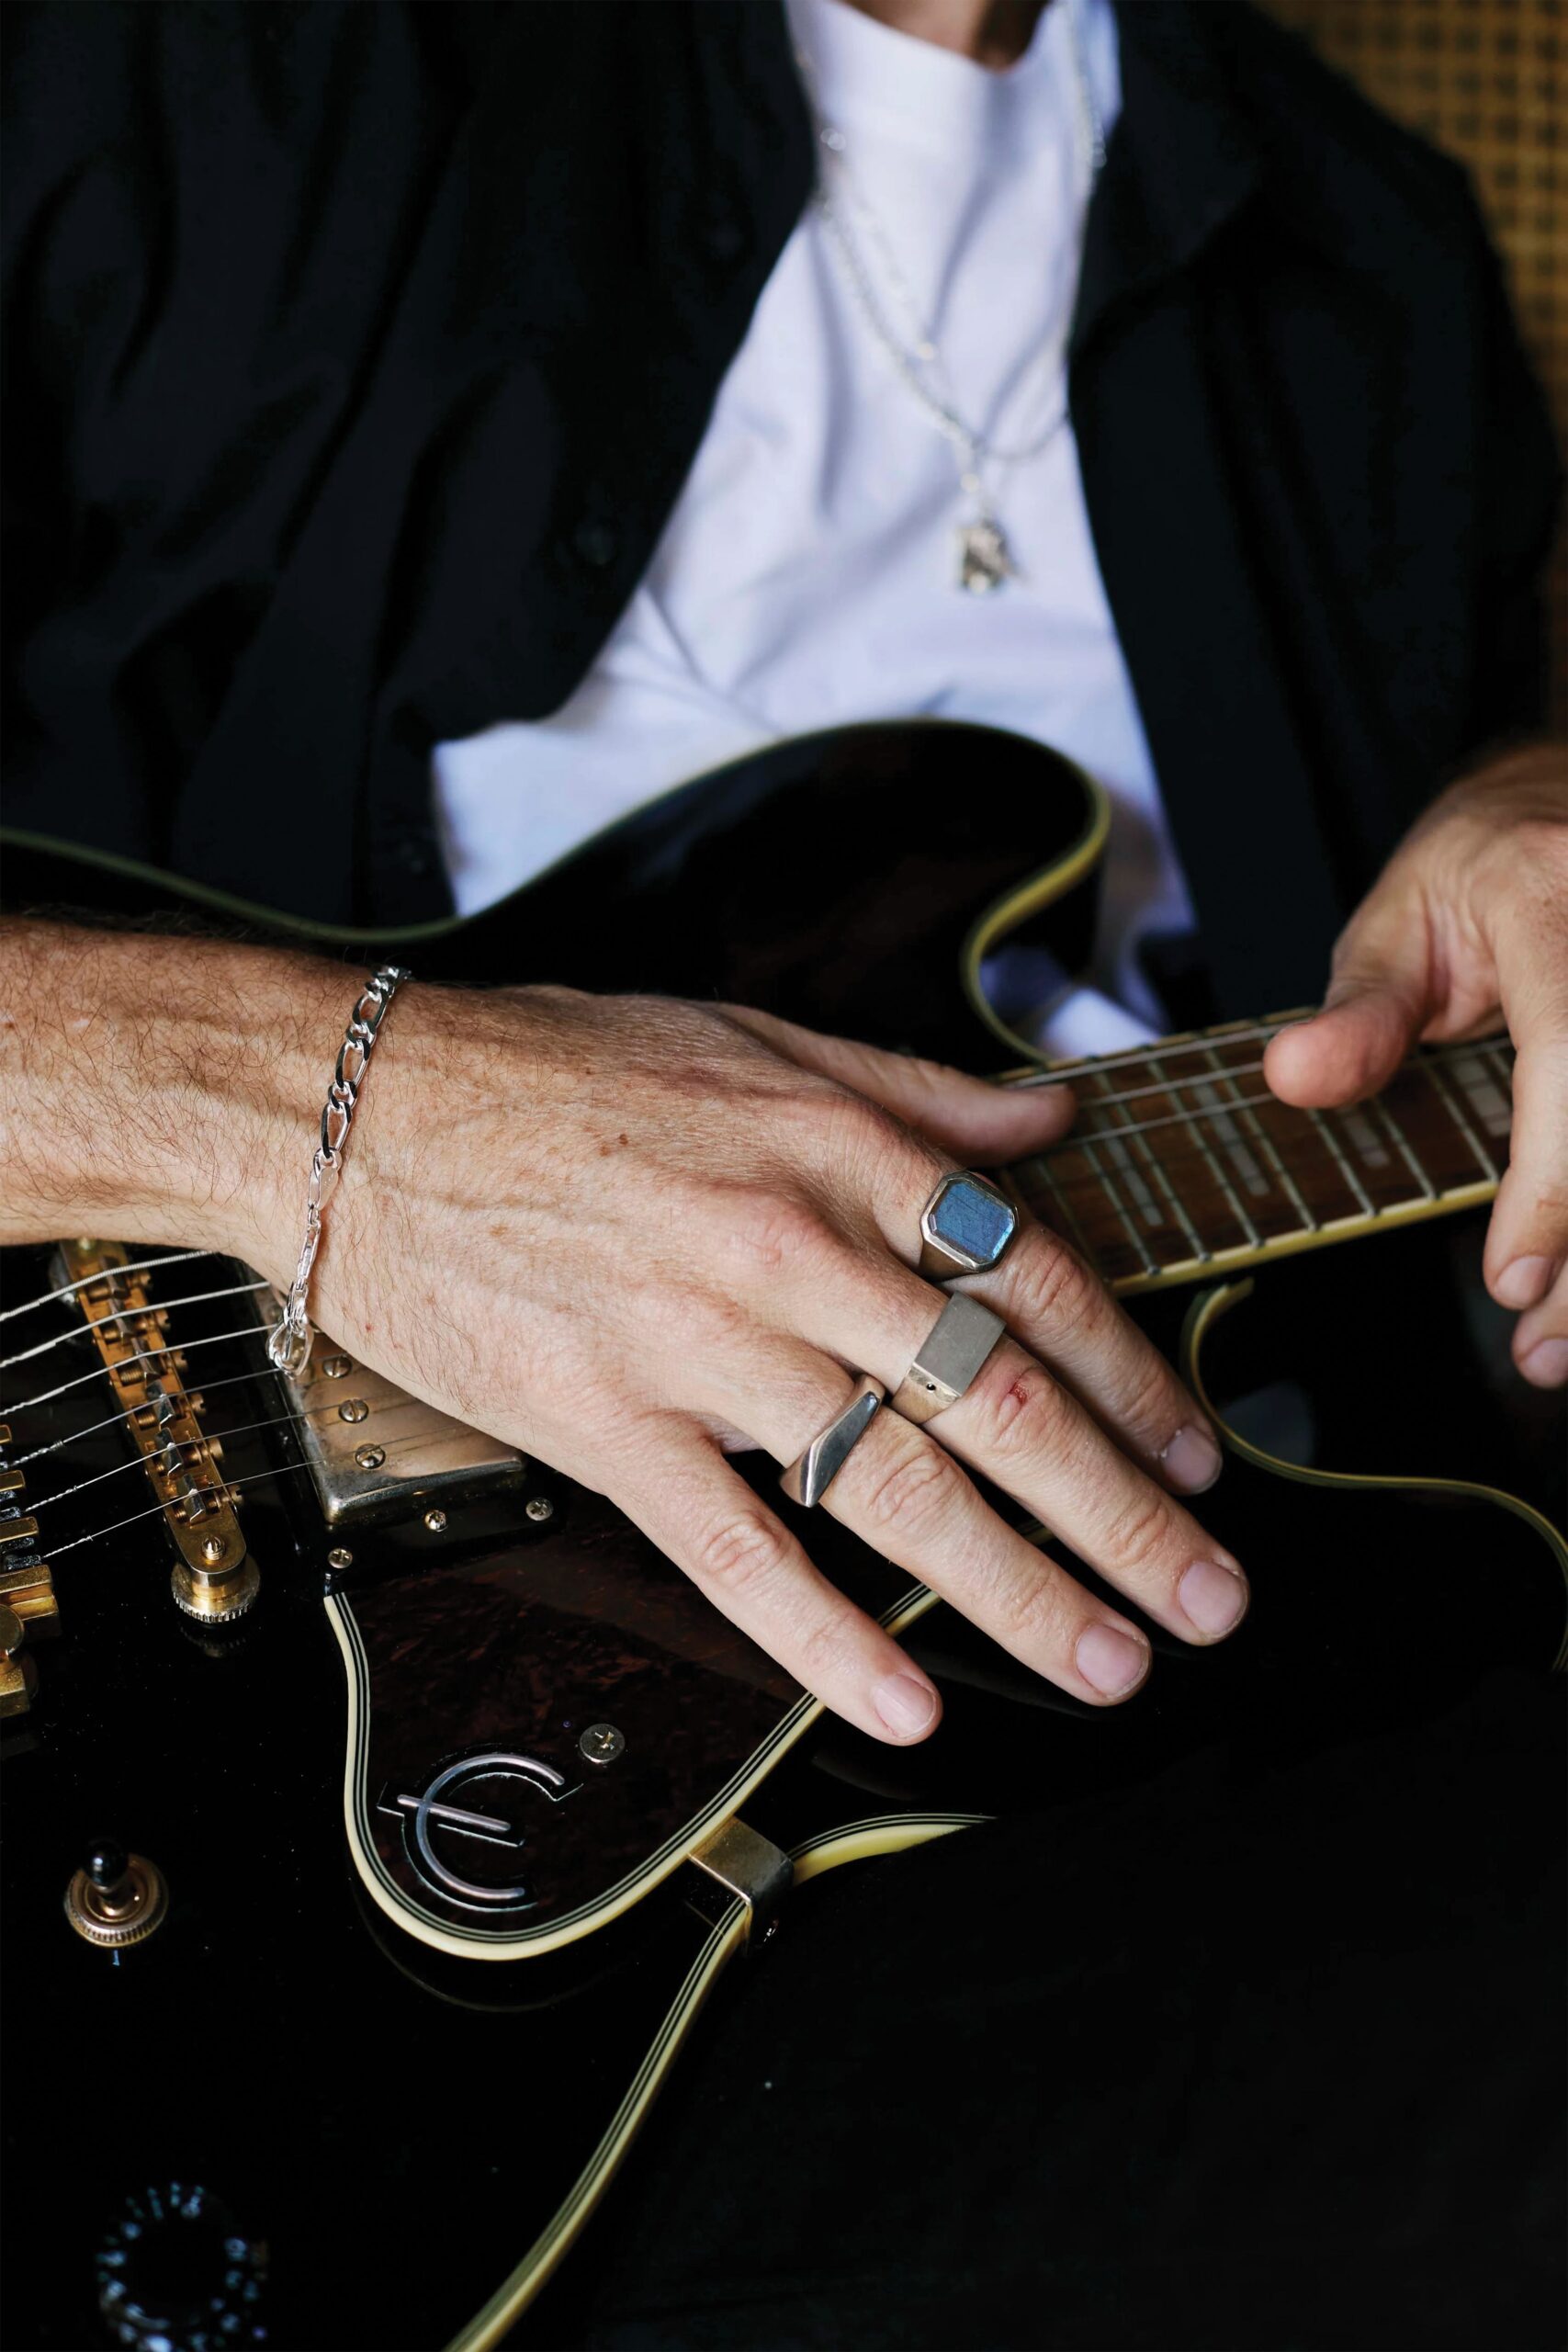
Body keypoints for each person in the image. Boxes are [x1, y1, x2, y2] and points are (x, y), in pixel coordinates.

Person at [2, 2, 1563, 2342]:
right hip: (274, 1848)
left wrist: (1525, 797)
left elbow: (1429, 1123)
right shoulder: (190, 72)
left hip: (1083, 1781)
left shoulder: (1373, 263)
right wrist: (343, 1127)